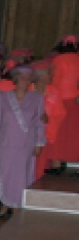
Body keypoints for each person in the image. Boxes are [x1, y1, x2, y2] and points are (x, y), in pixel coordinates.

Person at [0, 65, 45, 219]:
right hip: (6, 141)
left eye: (27, 78)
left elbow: (39, 123)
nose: (25, 80)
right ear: (15, 79)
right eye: (22, 77)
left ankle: (17, 204)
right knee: (5, 172)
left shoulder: (37, 98)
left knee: (21, 174)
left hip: (26, 143)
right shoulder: (3, 97)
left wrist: (39, 142)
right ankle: (4, 203)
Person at [44, 36, 79, 175]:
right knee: (74, 135)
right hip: (76, 102)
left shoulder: (58, 60)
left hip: (61, 101)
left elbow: (54, 82)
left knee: (57, 134)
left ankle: (56, 164)